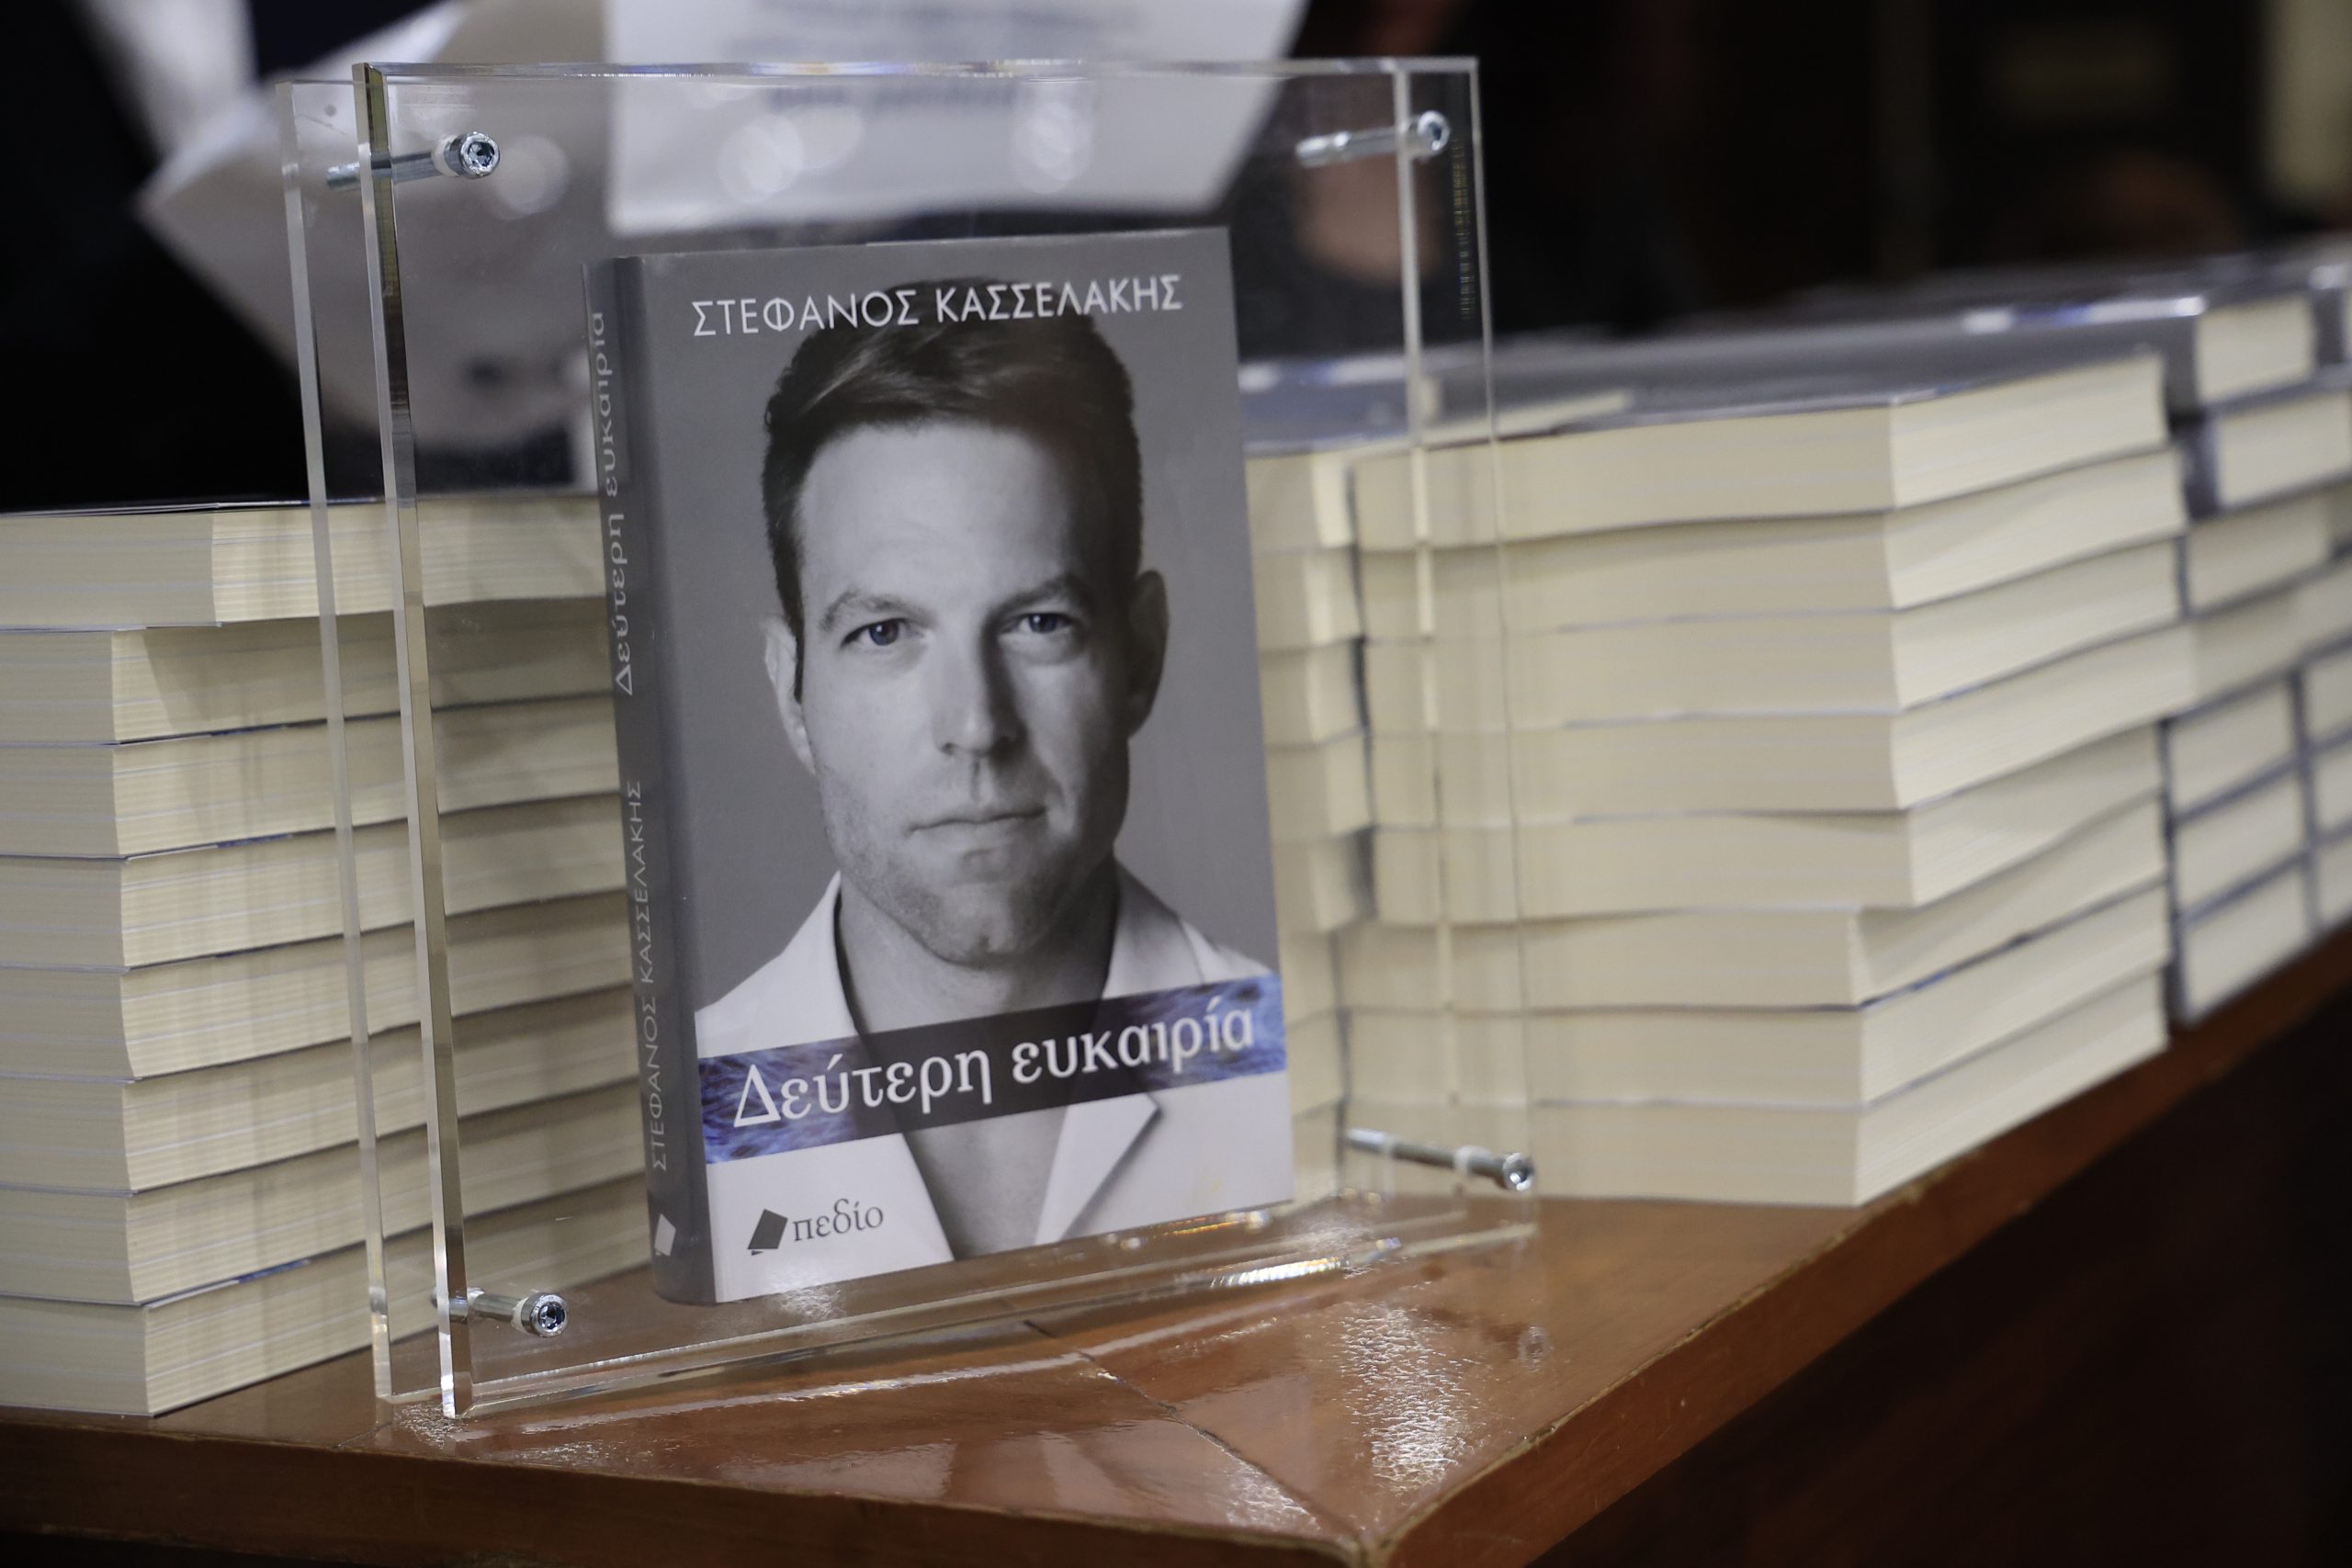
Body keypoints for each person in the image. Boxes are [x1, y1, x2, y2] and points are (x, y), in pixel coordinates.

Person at [695, 292, 1273, 1264]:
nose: (975, 727)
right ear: (791, 691)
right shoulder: (685, 1113)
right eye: (884, 632)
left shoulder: (1299, 1075)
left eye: (1038, 624)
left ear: (1140, 654)